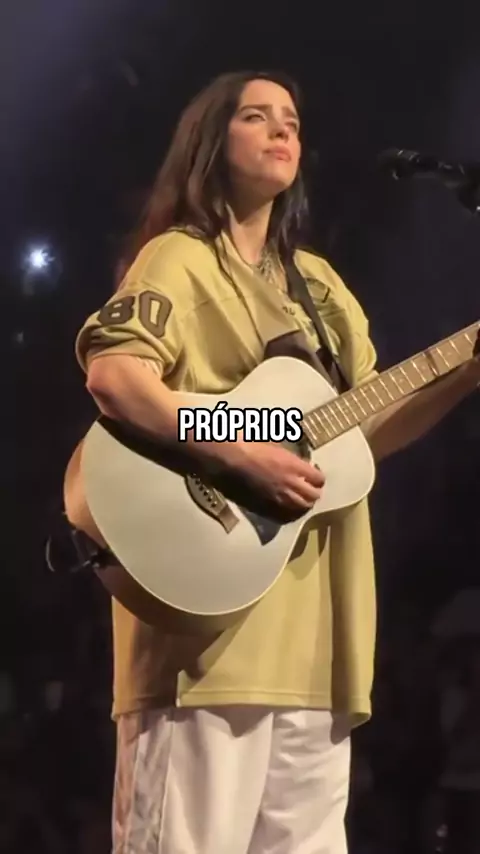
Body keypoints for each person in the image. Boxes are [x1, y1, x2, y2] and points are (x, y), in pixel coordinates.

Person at [65, 70, 480, 854]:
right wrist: (240, 452)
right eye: (255, 117)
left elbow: (363, 433)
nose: (283, 129)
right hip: (205, 638)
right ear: (208, 143)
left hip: (322, 649)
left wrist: (464, 374)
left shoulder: (319, 286)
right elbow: (116, 378)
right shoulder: (178, 260)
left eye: (290, 117)